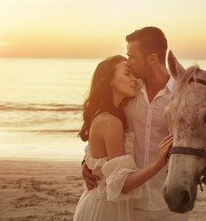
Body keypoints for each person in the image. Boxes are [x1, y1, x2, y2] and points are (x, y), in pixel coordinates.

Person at [82, 27, 189, 220]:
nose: (128, 63)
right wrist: (89, 162)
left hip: (170, 202)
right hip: (132, 203)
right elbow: (103, 125)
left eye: (132, 56)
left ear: (152, 59)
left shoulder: (181, 95)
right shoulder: (130, 92)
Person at [74, 55, 174, 221]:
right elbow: (122, 185)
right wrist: (159, 162)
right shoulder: (111, 121)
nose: (135, 80)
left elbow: (99, 156)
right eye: (127, 74)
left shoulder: (111, 114)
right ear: (110, 81)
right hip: (105, 210)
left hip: (107, 205)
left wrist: (86, 163)